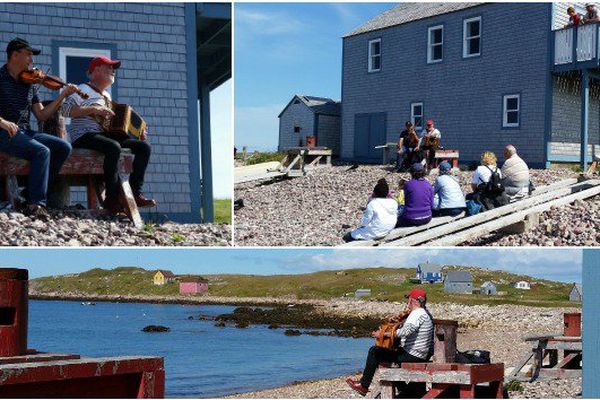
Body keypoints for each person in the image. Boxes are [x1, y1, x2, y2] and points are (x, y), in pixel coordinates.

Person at [62, 56, 156, 215]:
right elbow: (64, 110)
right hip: (83, 136)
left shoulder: (107, 96)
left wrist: (137, 132)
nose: (113, 71)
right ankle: (111, 198)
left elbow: (111, 126)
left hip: (101, 135)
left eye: (114, 68)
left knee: (143, 147)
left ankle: (134, 192)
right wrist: (92, 109)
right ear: (96, 69)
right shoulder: (82, 89)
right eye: (109, 67)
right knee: (113, 147)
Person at [0, 37, 74, 218]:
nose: (32, 61)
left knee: (63, 147)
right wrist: (2, 121)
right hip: (3, 131)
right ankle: (36, 204)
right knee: (42, 151)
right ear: (15, 55)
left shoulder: (30, 83)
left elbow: (41, 115)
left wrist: (62, 95)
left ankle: (28, 195)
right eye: (28, 55)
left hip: (24, 131)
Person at [346, 288, 434, 396]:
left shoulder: (417, 314)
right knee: (387, 355)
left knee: (375, 352)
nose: (407, 303)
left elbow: (406, 331)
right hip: (420, 354)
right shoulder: (425, 314)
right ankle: (404, 389)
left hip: (413, 355)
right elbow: (410, 330)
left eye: (408, 300)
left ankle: (364, 385)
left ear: (412, 300)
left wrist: (383, 334)